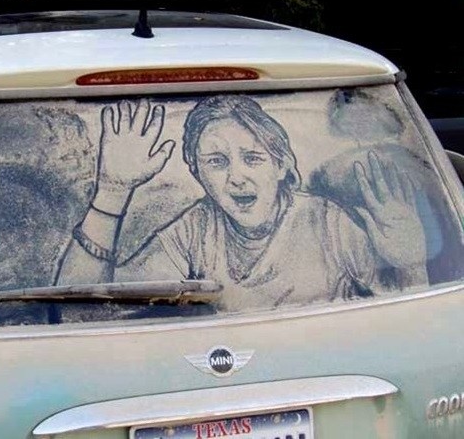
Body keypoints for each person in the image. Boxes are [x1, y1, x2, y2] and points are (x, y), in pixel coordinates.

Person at [55, 94, 428, 312]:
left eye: (253, 158)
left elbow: (407, 327)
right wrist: (112, 192)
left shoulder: (330, 224)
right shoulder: (194, 230)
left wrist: (411, 265)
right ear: (198, 173)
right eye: (216, 162)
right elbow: (83, 315)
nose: (237, 177)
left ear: (281, 166)